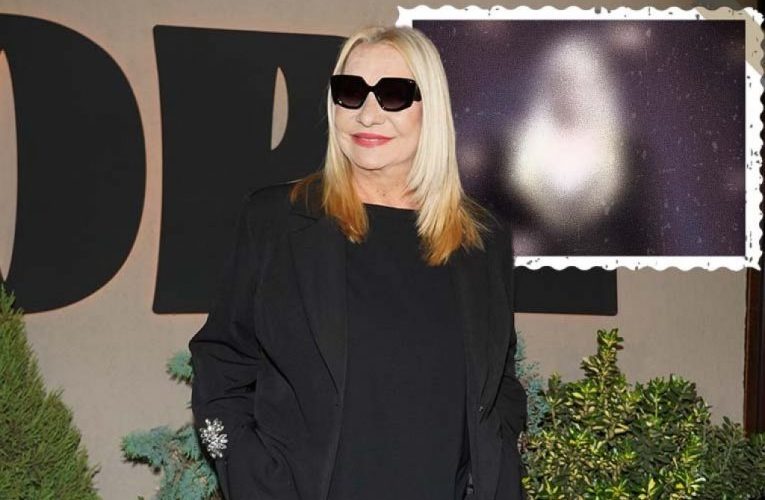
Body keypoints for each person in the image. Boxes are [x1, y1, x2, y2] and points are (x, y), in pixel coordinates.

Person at [189, 25, 527, 500]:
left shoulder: (482, 239)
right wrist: (250, 477)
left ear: (431, 108)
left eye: (394, 94)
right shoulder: (277, 221)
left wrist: (496, 465)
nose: (368, 114)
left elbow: (500, 382)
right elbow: (222, 363)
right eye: (351, 92)